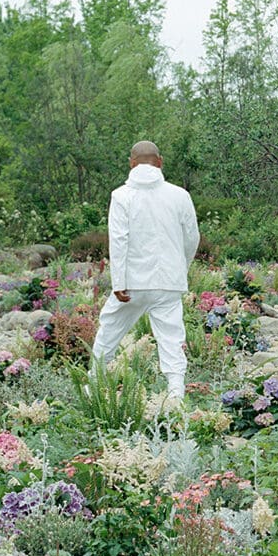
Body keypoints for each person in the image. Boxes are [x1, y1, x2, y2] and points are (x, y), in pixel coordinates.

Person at [91, 140, 199, 398]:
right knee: (171, 336)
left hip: (132, 282)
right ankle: (175, 392)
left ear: (131, 163)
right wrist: (181, 267)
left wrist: (118, 282)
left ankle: (94, 385)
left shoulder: (121, 196)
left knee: (110, 329)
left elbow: (118, 239)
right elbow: (192, 237)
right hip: (168, 281)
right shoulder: (179, 195)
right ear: (160, 161)